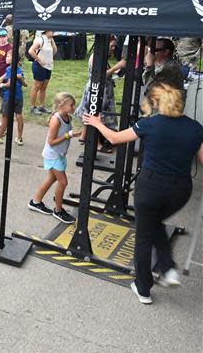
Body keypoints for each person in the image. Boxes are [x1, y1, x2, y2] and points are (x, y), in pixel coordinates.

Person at [83, 83, 203, 305]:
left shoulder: (150, 124)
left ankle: (143, 288)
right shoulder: (196, 128)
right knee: (155, 223)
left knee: (144, 236)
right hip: (180, 190)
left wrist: (98, 123)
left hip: (151, 187)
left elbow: (116, 139)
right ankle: (168, 270)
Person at [28, 92, 80, 224]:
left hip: (58, 154)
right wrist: (69, 135)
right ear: (61, 106)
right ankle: (58, 210)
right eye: (71, 105)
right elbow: (51, 141)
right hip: (53, 155)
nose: (74, 107)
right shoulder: (56, 120)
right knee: (63, 182)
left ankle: (35, 202)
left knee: (51, 178)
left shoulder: (67, 117)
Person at [75, 36, 125, 149]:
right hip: (97, 89)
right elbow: (99, 75)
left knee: (92, 113)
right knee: (97, 115)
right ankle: (96, 144)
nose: (113, 48)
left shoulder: (102, 56)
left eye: (114, 46)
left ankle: (84, 137)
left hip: (103, 90)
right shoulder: (95, 57)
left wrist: (117, 70)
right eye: (111, 46)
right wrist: (117, 66)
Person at [0, 50, 27, 146]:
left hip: (9, 96)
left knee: (5, 117)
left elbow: (9, 84)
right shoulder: (19, 69)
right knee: (19, 115)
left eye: (8, 56)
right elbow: (25, 84)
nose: (6, 58)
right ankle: (19, 138)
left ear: (13, 59)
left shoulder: (10, 69)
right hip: (19, 96)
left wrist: (1, 85)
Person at [28, 30, 57, 114]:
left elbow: (54, 52)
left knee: (44, 87)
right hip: (39, 66)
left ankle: (41, 106)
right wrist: (39, 60)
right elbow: (31, 51)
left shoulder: (50, 40)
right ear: (46, 31)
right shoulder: (40, 39)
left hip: (48, 66)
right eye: (52, 31)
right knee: (37, 86)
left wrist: (52, 41)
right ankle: (32, 107)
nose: (53, 32)